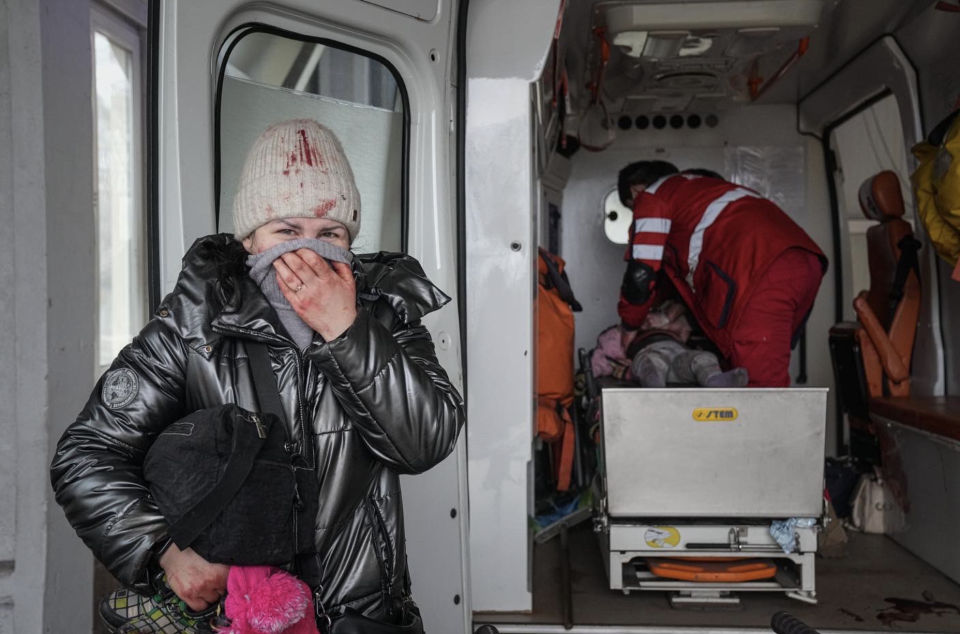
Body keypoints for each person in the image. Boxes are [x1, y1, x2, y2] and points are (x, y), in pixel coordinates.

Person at [50, 119, 465, 630]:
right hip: (235, 619)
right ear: (250, 239)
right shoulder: (193, 325)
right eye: (286, 232)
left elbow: (427, 441)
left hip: (363, 618)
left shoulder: (386, 312)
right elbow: (86, 454)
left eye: (329, 233)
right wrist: (162, 550)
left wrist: (345, 330)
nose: (309, 253)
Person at [617, 161, 827, 387]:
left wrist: (630, 326)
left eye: (632, 210)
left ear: (636, 191)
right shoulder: (703, 191)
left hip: (758, 270)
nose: (637, 217)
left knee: (758, 388)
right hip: (803, 261)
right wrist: (673, 315)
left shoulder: (653, 197)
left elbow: (641, 275)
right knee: (739, 375)